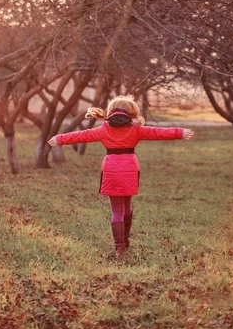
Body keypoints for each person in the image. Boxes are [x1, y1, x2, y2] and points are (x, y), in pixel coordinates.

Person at [48, 95, 194, 258]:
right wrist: (179, 132)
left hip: (111, 170)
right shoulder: (136, 129)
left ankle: (120, 248)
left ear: (111, 112)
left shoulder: (104, 129)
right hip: (130, 169)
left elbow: (81, 135)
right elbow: (157, 132)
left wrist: (59, 138)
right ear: (131, 113)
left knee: (116, 210)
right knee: (127, 205)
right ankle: (125, 239)